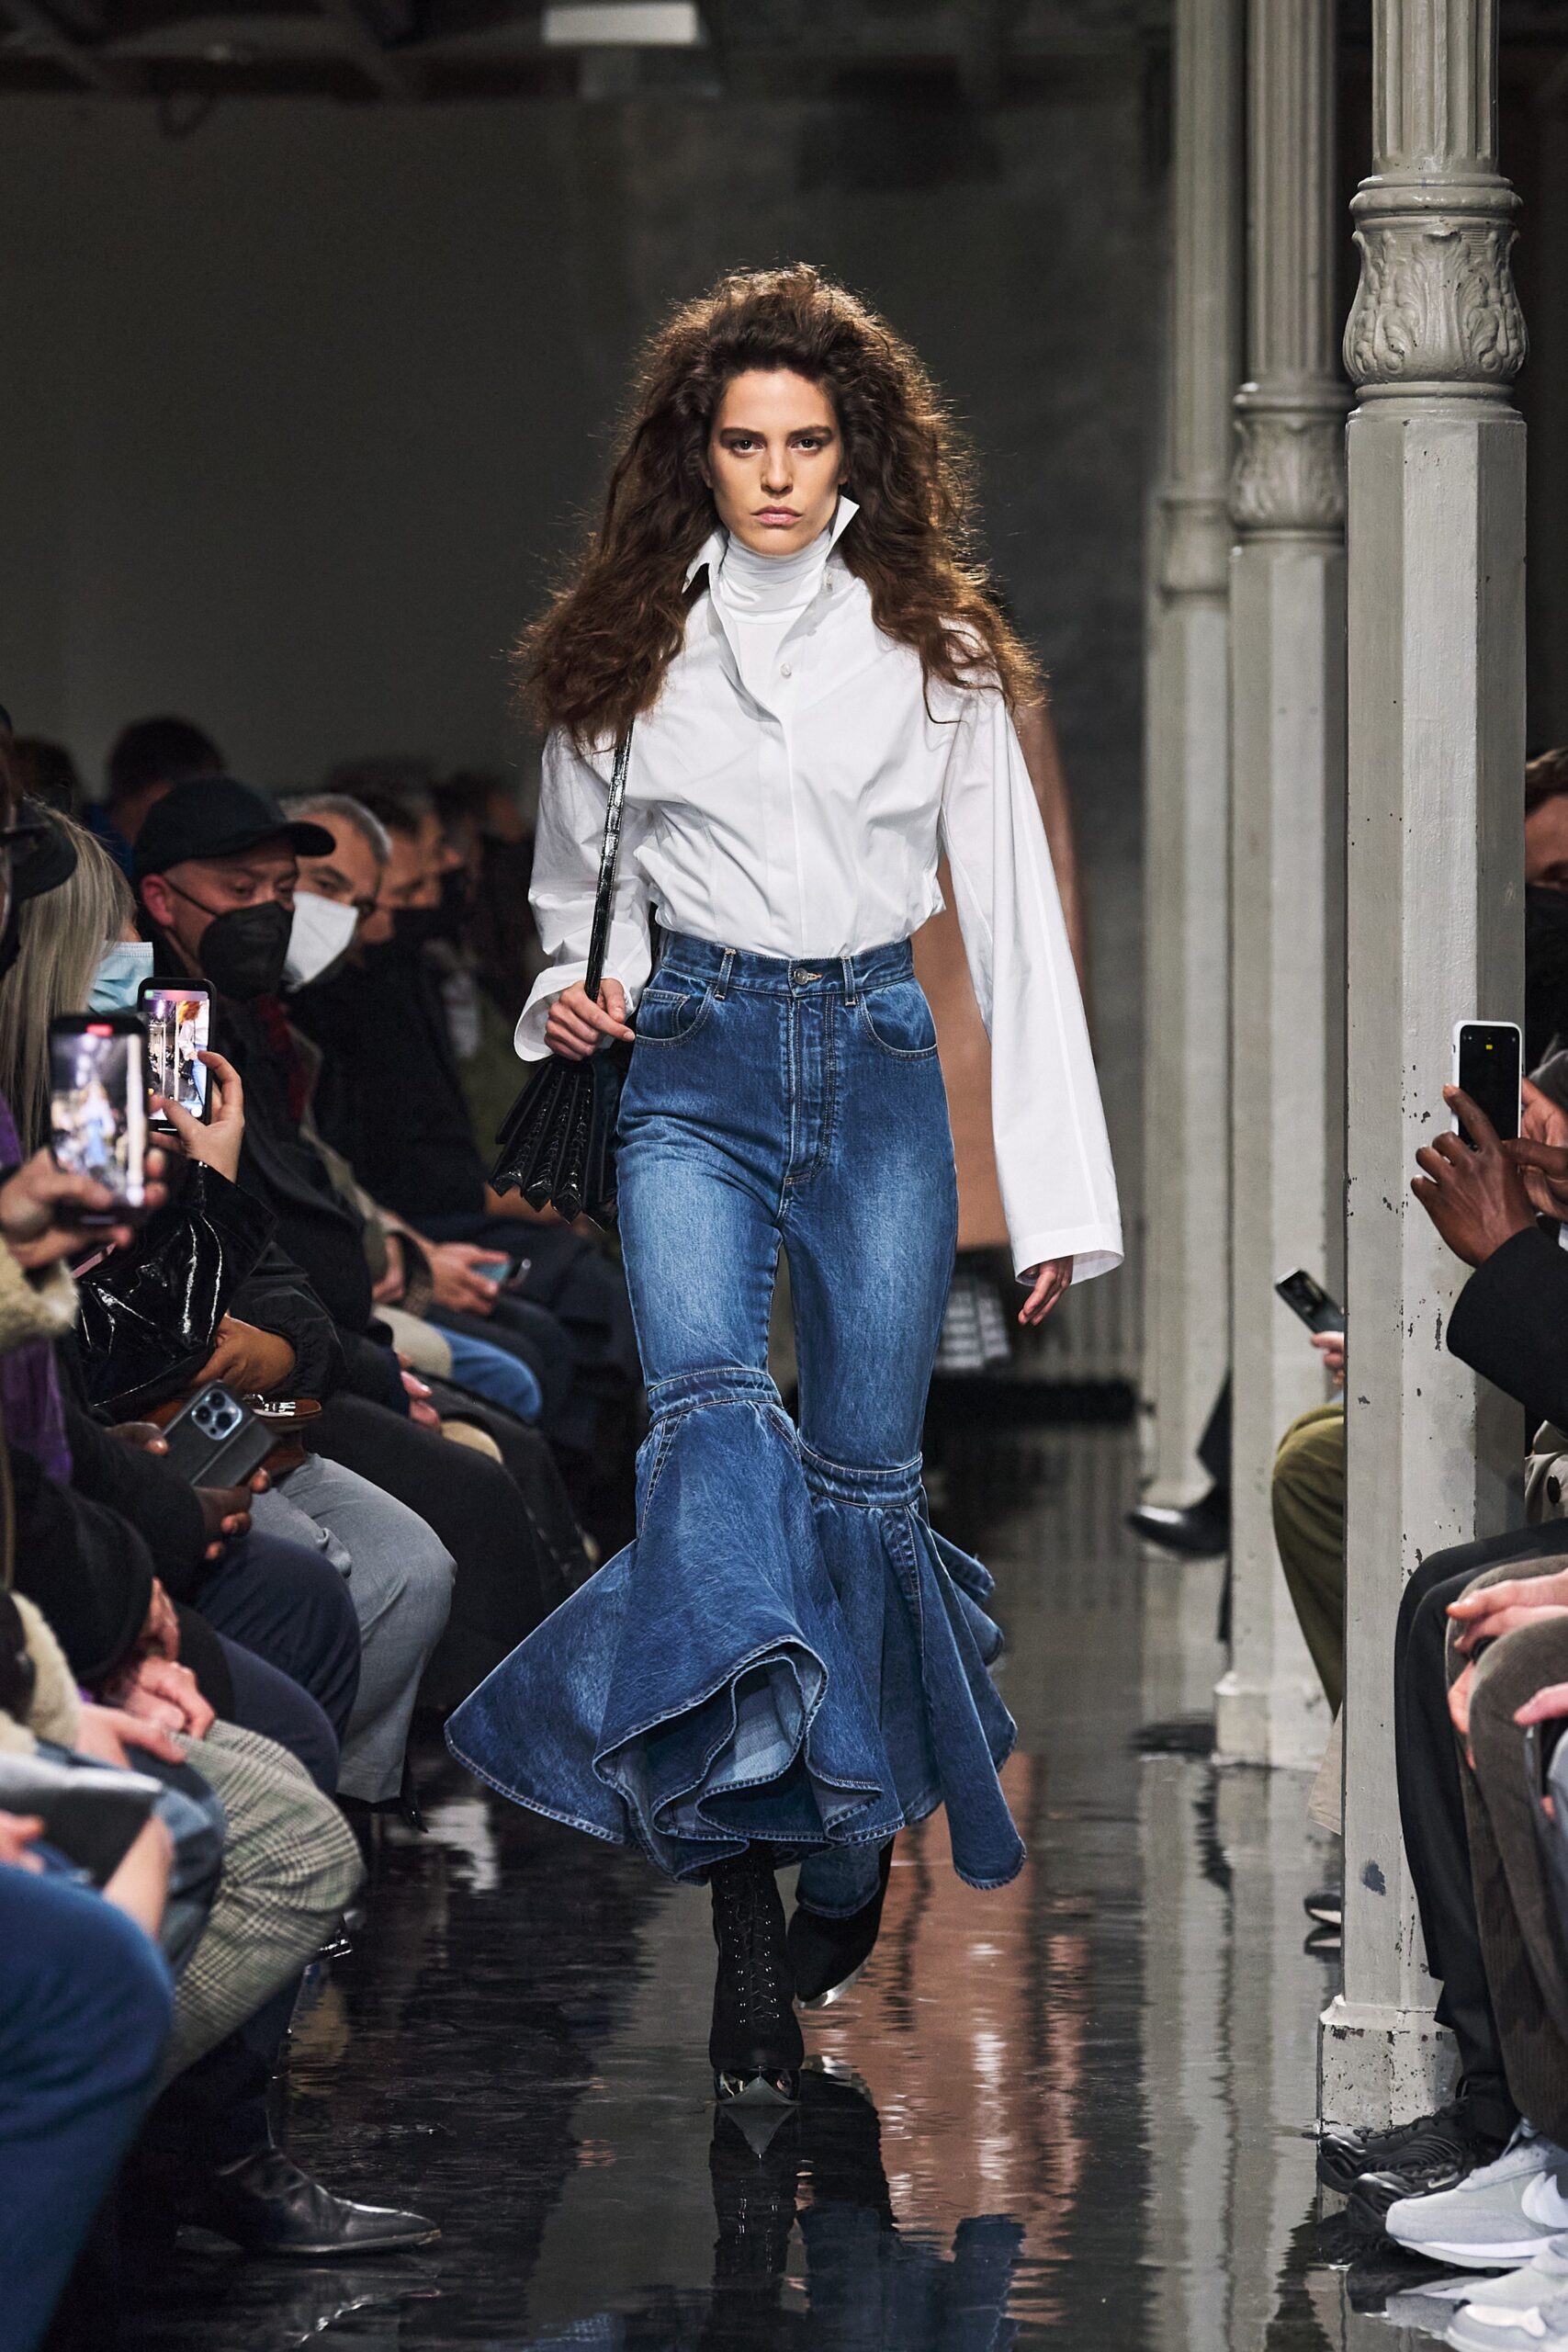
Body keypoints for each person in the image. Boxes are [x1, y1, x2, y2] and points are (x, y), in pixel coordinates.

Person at [447, 264, 1121, 2105]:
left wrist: (1058, 1192)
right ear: (693, 449)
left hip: (879, 1069)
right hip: (688, 1062)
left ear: (858, 450)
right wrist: (556, 996)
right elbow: (567, 902)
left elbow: (1019, 927)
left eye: (805, 442)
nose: (772, 476)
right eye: (741, 441)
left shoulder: (940, 644)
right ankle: (752, 1914)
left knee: (862, 1485)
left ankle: (840, 1826)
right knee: (706, 1431)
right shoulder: (611, 647)